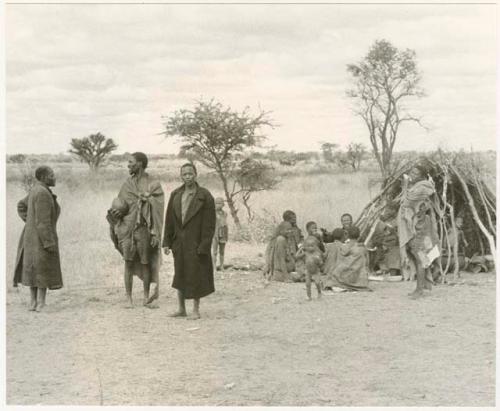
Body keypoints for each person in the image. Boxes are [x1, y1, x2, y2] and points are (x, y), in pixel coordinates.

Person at [107, 152, 164, 308]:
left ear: (139, 164)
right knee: (128, 263)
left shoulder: (152, 183)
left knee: (145, 262)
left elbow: (158, 206)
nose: (128, 165)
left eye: (131, 162)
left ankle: (145, 297)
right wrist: (116, 213)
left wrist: (147, 199)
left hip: (144, 229)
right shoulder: (127, 184)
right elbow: (120, 203)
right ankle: (129, 299)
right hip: (126, 228)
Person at [162, 163, 216, 320]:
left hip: (196, 243)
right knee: (179, 274)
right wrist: (166, 242)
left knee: (195, 275)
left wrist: (204, 245)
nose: (187, 177)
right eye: (184, 174)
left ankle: (195, 310)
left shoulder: (205, 196)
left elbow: (210, 224)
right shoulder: (175, 194)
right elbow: (169, 220)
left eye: (190, 174)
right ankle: (181, 309)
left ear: (196, 174)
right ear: (181, 176)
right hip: (179, 243)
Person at [13, 166, 63, 311]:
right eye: (52, 175)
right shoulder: (43, 193)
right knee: (42, 269)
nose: (54, 177)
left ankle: (33, 303)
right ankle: (41, 303)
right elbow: (43, 222)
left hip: (31, 237)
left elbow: (21, 206)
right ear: (43, 177)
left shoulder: (36, 189)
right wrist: (48, 242)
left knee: (33, 269)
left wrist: (30, 222)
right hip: (41, 238)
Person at [398, 164, 440, 299]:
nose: (412, 174)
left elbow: (406, 203)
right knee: (421, 258)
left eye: (416, 173)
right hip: (420, 226)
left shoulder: (421, 188)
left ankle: (419, 290)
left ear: (422, 175)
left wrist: (405, 184)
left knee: (420, 258)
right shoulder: (420, 187)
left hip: (420, 228)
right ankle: (422, 287)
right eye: (412, 172)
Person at [263, 210, 303, 282]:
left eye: (295, 218)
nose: (295, 220)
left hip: (289, 261)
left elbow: (299, 240)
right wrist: (268, 264)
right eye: (292, 219)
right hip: (280, 268)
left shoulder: (293, 230)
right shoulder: (280, 239)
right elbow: (277, 255)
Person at [328, 226, 371, 292]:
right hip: (359, 275)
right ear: (359, 236)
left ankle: (343, 285)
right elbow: (367, 262)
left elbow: (343, 254)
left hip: (349, 273)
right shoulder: (363, 247)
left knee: (335, 273)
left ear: (347, 235)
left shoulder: (347, 246)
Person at [212, 197, 229, 272]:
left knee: (222, 251)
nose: (218, 205)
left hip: (223, 233)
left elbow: (225, 224)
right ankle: (214, 267)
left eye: (220, 203)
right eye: (216, 203)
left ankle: (222, 266)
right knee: (215, 251)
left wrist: (226, 234)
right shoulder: (211, 213)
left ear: (223, 205)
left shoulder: (225, 213)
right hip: (215, 233)